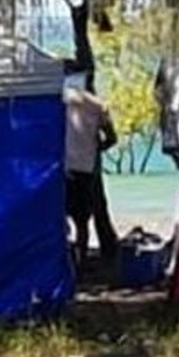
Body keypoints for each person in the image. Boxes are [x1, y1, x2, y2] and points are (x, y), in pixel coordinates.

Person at [64, 83, 118, 269]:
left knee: (60, 216)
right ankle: (81, 261)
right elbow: (112, 138)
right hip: (85, 167)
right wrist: (95, 149)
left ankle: (65, 260)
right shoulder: (97, 105)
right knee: (82, 221)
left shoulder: (61, 101)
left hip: (63, 166)